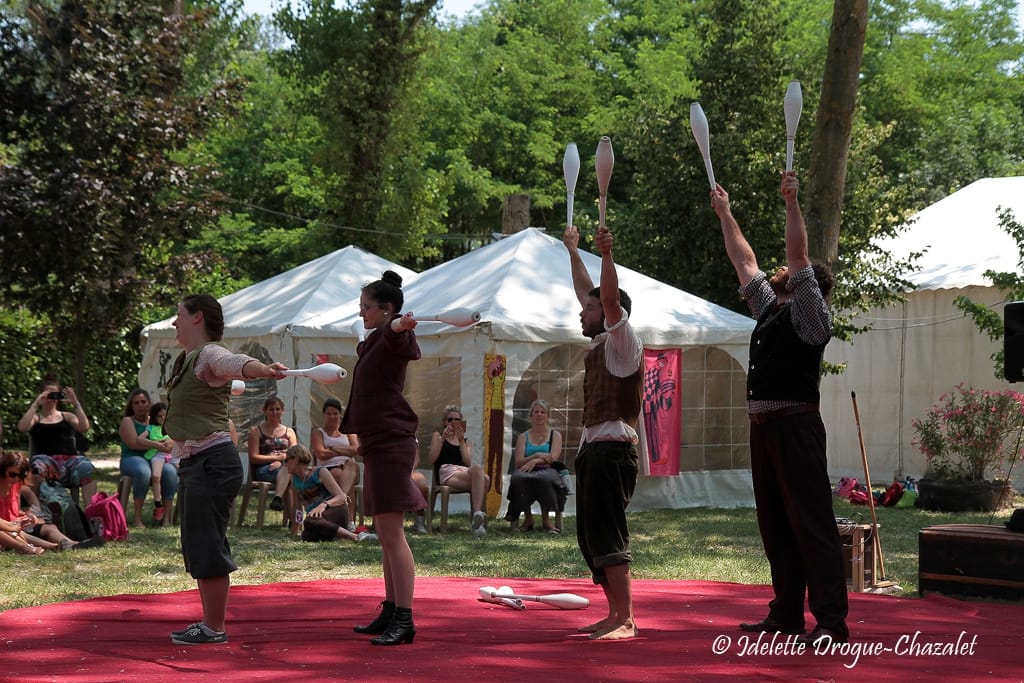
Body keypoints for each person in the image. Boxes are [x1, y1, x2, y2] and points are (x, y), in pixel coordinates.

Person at [711, 171, 848, 646]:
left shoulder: (811, 314)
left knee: (812, 525)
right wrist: (726, 213)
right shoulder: (772, 309)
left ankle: (830, 621)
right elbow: (745, 261)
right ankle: (787, 613)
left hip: (795, 427)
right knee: (775, 526)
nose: (780, 268)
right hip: (765, 429)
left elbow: (797, 255)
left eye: (789, 271)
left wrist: (792, 201)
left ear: (806, 284)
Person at [164, 293, 287, 645]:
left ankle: (214, 628)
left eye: (179, 315)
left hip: (212, 464)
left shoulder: (209, 354)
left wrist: (263, 369)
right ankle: (208, 623)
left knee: (207, 544)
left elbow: (234, 362)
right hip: (198, 463)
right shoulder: (189, 360)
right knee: (197, 543)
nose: (175, 322)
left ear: (197, 318)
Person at [563, 222, 643, 641]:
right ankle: (614, 614)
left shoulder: (623, 344)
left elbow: (606, 297)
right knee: (592, 535)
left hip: (612, 454)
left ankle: (626, 619)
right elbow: (588, 292)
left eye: (590, 310)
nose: (582, 311)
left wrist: (607, 253)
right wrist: (574, 251)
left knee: (608, 532)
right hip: (594, 451)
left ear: (612, 316)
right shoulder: (599, 346)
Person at [342, 270, 425, 646]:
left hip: (392, 442)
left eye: (366, 307)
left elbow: (399, 336)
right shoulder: (373, 341)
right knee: (385, 535)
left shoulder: (393, 338)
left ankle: (404, 619)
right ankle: (392, 609)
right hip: (377, 443)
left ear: (386, 309)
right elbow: (383, 336)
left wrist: (398, 325)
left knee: (392, 535)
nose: (362, 313)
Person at [17, 378, 97, 502]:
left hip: (69, 461)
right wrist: (36, 404)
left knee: (86, 467)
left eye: (55, 394)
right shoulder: (36, 418)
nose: (51, 398)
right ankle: (35, 509)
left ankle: (91, 512)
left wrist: (76, 404)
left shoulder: (66, 416)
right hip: (45, 460)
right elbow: (22, 427)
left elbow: (84, 427)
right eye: (48, 394)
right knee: (38, 467)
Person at [0, 450, 94, 553]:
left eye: (21, 476)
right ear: (3, 470)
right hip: (7, 528)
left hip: (17, 526)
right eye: (13, 474)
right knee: (15, 532)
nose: (17, 479)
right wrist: (11, 525)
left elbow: (18, 508)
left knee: (49, 528)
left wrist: (32, 514)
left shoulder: (16, 486)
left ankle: (71, 544)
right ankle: (47, 547)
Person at [283, 444, 376, 543]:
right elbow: (297, 508)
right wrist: (295, 528)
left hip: (334, 509)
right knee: (307, 535)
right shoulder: (294, 479)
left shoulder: (320, 472)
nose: (285, 464)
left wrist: (323, 505)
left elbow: (342, 497)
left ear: (296, 459)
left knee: (310, 521)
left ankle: (355, 536)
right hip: (316, 517)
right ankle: (338, 534)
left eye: (286, 460)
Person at [505, 399, 566, 533]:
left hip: (548, 469)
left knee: (544, 479)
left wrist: (535, 461)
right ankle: (528, 518)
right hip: (526, 470)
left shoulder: (555, 435)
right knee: (517, 478)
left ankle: (546, 520)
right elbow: (519, 462)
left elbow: (553, 458)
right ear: (531, 415)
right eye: (536, 412)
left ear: (547, 416)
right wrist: (537, 455)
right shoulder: (523, 437)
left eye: (542, 412)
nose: (539, 415)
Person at [118, 389, 177, 527]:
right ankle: (137, 518)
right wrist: (159, 445)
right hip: (133, 457)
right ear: (131, 406)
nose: (140, 405)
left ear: (149, 404)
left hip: (157, 458)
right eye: (136, 402)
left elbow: (173, 438)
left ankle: (167, 517)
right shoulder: (128, 421)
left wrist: (168, 445)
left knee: (170, 472)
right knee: (143, 472)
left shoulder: (158, 420)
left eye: (143, 401)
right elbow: (134, 443)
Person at [428, 405, 490, 535]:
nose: (453, 423)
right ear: (445, 422)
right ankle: (477, 521)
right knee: (484, 480)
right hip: (446, 471)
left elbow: (467, 462)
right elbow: (431, 460)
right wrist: (443, 439)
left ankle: (477, 514)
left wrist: (461, 440)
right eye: (450, 420)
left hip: (463, 471)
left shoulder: (466, 441)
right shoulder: (438, 436)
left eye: (457, 420)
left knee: (480, 472)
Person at [309, 398, 361, 517]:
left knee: (352, 465)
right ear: (324, 415)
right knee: (346, 480)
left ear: (340, 415)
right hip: (326, 469)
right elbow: (321, 454)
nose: (332, 417)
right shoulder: (318, 433)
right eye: (329, 414)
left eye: (335, 414)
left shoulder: (348, 432)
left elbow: (356, 450)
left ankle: (340, 498)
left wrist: (333, 448)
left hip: (348, 467)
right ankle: (349, 519)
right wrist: (345, 451)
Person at [249, 397, 296, 514]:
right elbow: (253, 457)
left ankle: (279, 501)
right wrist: (275, 459)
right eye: (271, 409)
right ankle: (295, 520)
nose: (275, 412)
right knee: (289, 475)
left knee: (290, 479)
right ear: (264, 411)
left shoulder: (289, 432)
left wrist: (280, 462)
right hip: (265, 469)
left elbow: (295, 454)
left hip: (285, 467)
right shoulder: (256, 431)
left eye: (278, 409)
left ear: (282, 411)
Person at [143, 402, 175, 523]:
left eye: (164, 416)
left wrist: (171, 442)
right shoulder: (151, 428)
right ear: (154, 417)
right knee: (156, 476)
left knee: (186, 474)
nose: (162, 419)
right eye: (159, 416)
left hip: (173, 455)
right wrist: (156, 444)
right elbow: (139, 439)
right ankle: (158, 504)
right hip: (158, 454)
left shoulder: (173, 427)